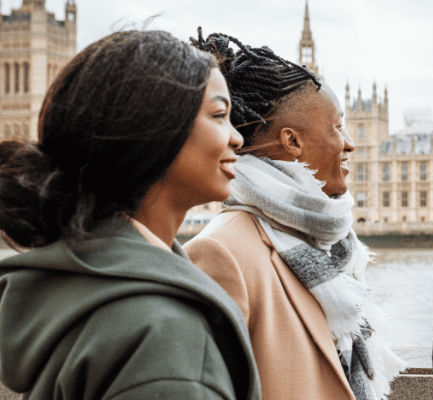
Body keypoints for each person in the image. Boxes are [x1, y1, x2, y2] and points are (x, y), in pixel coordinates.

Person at [0, 31, 259, 399]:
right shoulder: (165, 339)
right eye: (219, 115)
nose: (237, 139)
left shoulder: (60, 288)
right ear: (155, 129)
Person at [185, 30, 405, 400]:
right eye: (337, 127)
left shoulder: (331, 244)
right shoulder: (220, 252)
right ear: (292, 142)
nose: (350, 143)